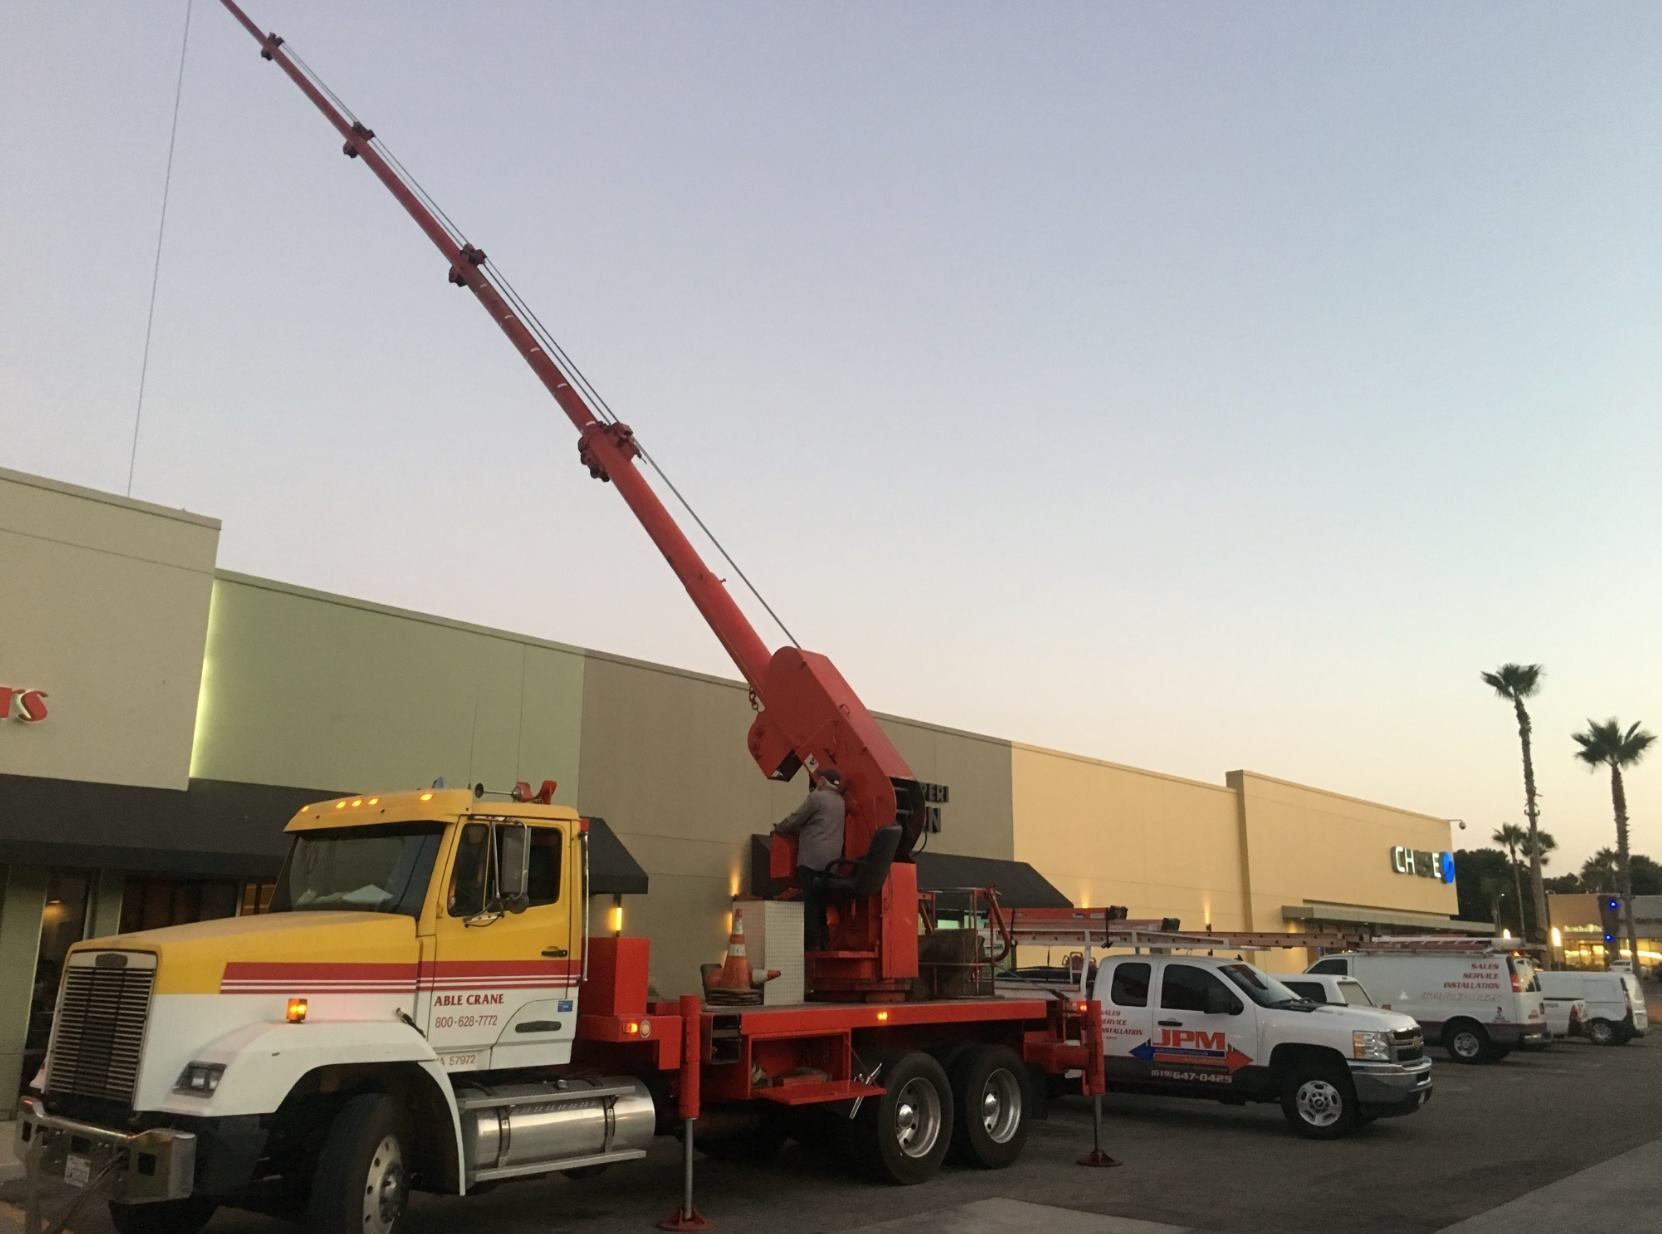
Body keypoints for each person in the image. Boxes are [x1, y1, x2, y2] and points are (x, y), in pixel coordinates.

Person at [772, 768, 847, 951]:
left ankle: (811, 944)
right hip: (832, 863)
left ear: (821, 781)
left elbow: (797, 818)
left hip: (811, 859)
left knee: (810, 902)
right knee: (821, 902)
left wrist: (780, 828)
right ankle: (824, 941)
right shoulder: (841, 802)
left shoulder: (817, 798)